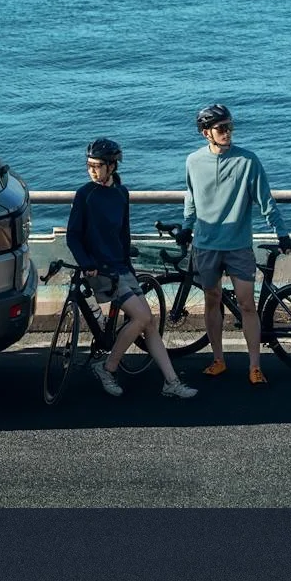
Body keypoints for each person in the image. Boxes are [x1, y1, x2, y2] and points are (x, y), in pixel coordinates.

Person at [67, 137, 197, 399]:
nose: (92, 170)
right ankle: (107, 367)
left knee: (148, 324)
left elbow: (123, 233)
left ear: (112, 166)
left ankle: (171, 381)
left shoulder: (121, 193)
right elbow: (73, 236)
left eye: (98, 166)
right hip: (100, 271)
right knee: (142, 318)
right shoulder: (85, 195)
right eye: (89, 165)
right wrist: (88, 264)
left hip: (121, 268)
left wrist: (128, 265)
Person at [176, 105, 291, 385]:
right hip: (205, 245)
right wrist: (186, 227)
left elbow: (266, 202)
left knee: (246, 304)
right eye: (221, 128)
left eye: (230, 127)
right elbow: (191, 200)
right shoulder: (193, 161)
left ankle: (255, 366)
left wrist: (282, 233)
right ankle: (218, 359)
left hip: (238, 245)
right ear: (207, 133)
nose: (228, 133)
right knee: (211, 300)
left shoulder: (248, 161)